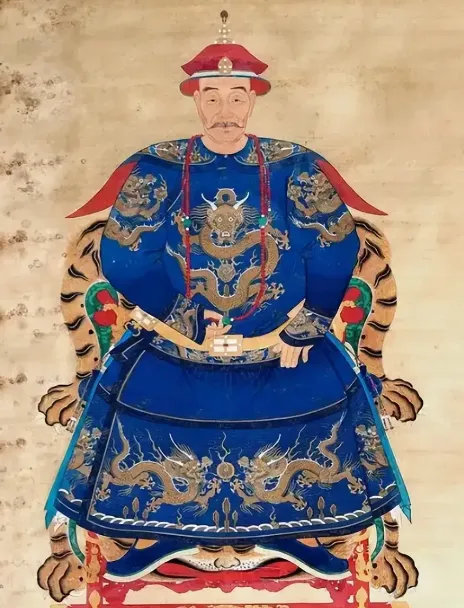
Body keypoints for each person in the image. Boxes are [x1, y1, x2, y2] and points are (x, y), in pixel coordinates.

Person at [46, 11, 410, 580]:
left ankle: (311, 542)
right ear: (195, 99)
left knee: (325, 423)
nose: (224, 111)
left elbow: (333, 244)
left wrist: (309, 322)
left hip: (282, 348)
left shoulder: (295, 165)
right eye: (211, 97)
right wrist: (184, 319)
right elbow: (123, 252)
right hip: (176, 348)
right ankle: (147, 545)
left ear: (253, 99)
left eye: (236, 97)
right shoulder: (158, 167)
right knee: (135, 423)